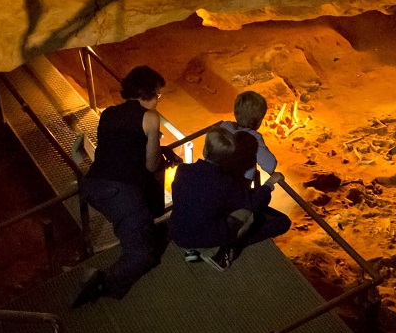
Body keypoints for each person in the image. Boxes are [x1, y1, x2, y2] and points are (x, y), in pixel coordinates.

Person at [74, 65, 177, 306]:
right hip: (119, 191)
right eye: (158, 94)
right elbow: (151, 166)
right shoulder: (150, 117)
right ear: (149, 93)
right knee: (142, 254)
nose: (158, 100)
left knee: (139, 230)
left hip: (94, 185)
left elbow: (120, 147)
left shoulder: (108, 113)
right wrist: (161, 157)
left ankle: (142, 232)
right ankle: (102, 283)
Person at [169, 127, 291, 271]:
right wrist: (269, 184)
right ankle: (224, 251)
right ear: (228, 158)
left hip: (176, 232)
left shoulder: (183, 170)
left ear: (205, 150)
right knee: (252, 215)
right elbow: (253, 203)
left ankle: (194, 250)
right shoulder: (225, 183)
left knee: (200, 210)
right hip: (207, 236)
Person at [217, 91, 277, 187]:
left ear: (236, 114)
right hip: (236, 190)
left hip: (216, 181)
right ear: (259, 122)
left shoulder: (224, 127)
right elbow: (270, 165)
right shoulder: (253, 139)